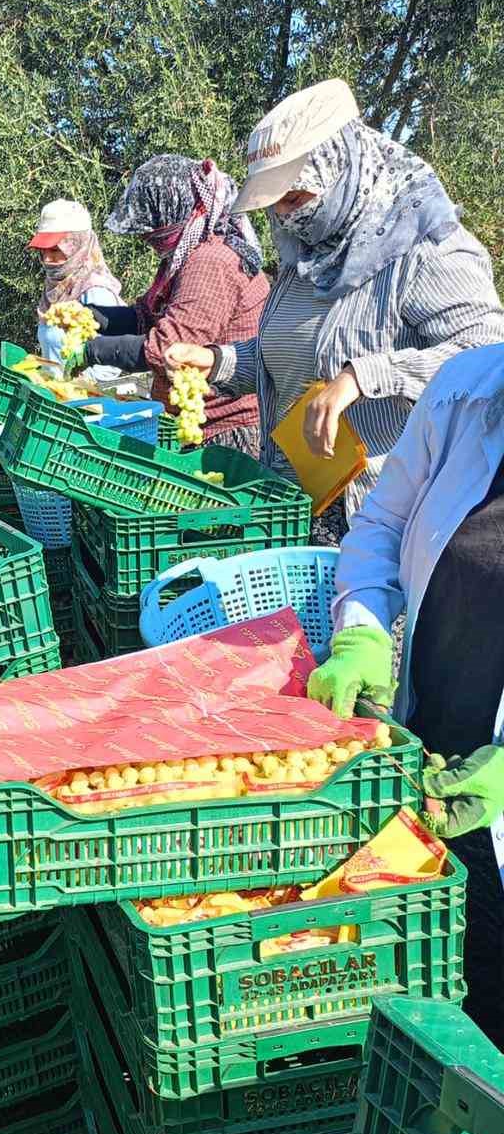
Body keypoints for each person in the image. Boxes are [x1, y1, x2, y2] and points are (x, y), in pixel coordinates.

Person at [165, 78, 504, 539]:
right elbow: (294, 359)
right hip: (294, 504)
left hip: (379, 520)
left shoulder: (425, 250)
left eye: (296, 197)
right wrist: (218, 360)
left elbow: (488, 357)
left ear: (342, 169)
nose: (284, 216)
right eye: (275, 204)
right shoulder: (306, 256)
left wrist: (364, 376)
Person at [307, 343, 504, 1043]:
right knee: (453, 996)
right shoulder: (467, 390)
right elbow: (383, 526)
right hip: (434, 765)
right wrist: (360, 628)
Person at [86, 155, 268, 452]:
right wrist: (96, 317)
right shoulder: (183, 257)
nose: (146, 237)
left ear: (173, 210)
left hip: (226, 432)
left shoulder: (211, 261)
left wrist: (93, 351)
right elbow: (147, 316)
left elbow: (169, 348)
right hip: (198, 427)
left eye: (152, 226)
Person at [29, 199, 123, 358]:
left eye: (54, 250)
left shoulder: (96, 292)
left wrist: (79, 381)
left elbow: (112, 360)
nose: (46, 259)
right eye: (42, 251)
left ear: (77, 247)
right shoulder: (59, 287)